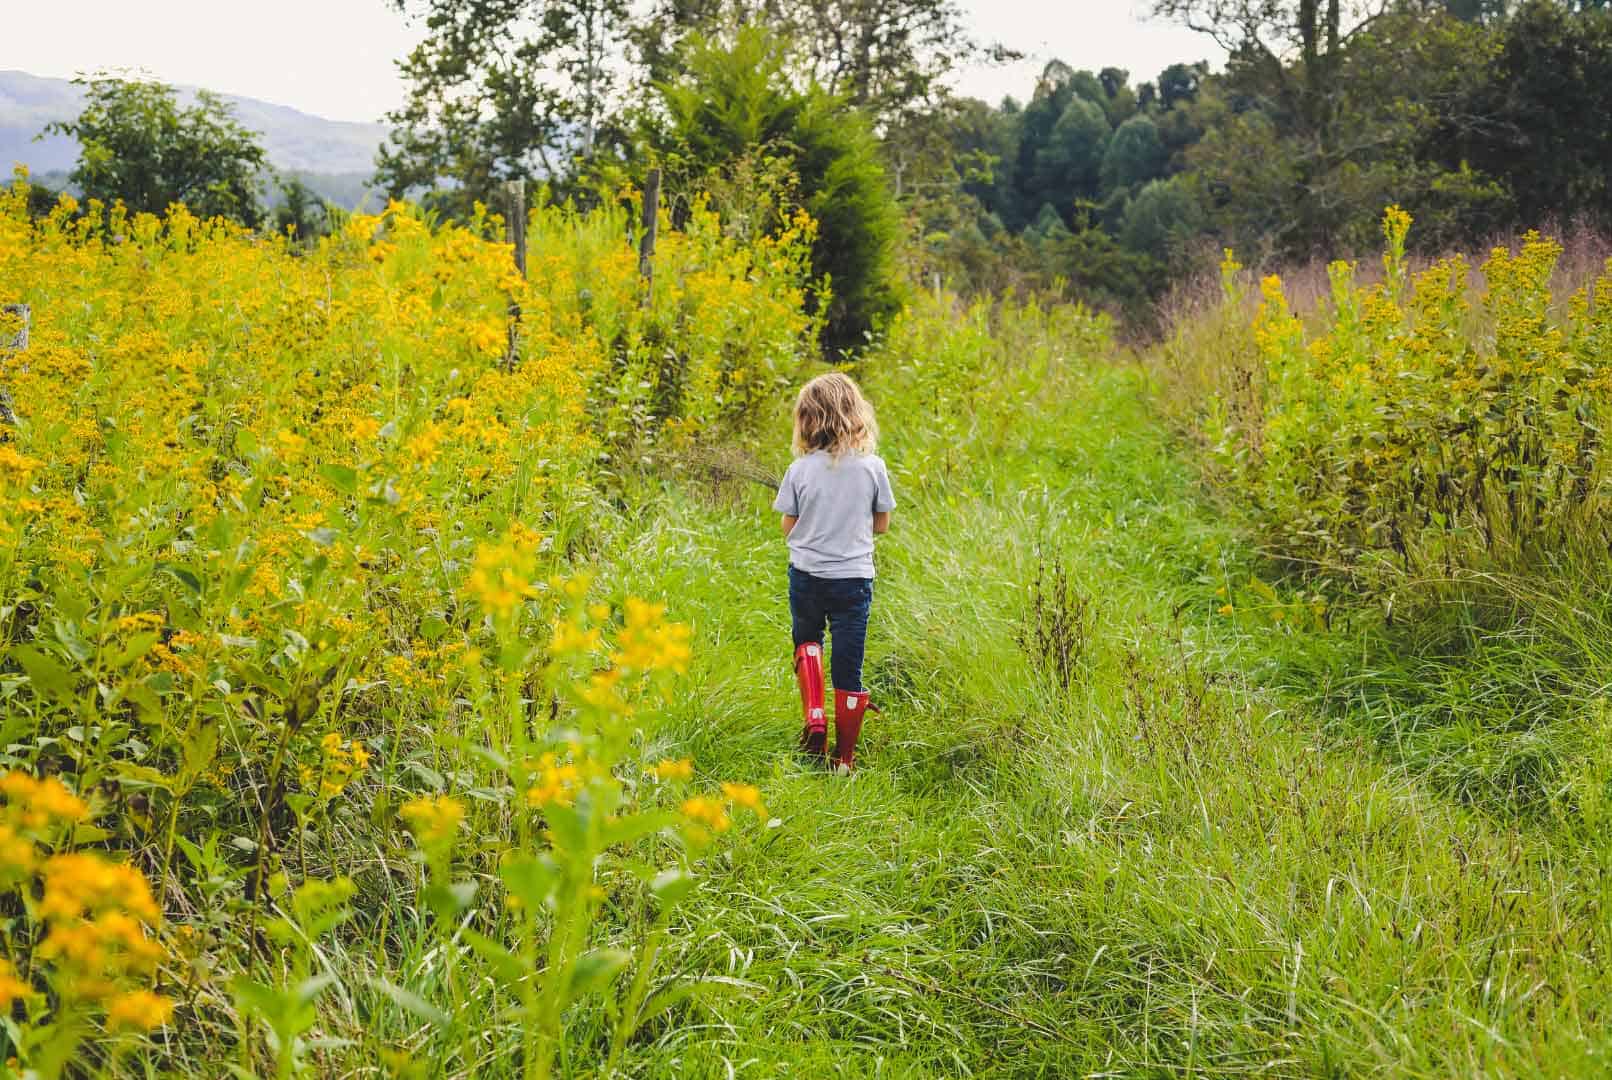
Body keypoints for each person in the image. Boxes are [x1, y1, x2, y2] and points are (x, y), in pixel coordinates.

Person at [772, 372, 895, 773]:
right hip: (853, 581)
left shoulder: (799, 470)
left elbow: (788, 527)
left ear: (807, 421)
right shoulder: (872, 467)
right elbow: (881, 524)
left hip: (806, 576)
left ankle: (815, 717)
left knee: (808, 640)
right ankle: (843, 759)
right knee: (848, 663)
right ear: (855, 415)